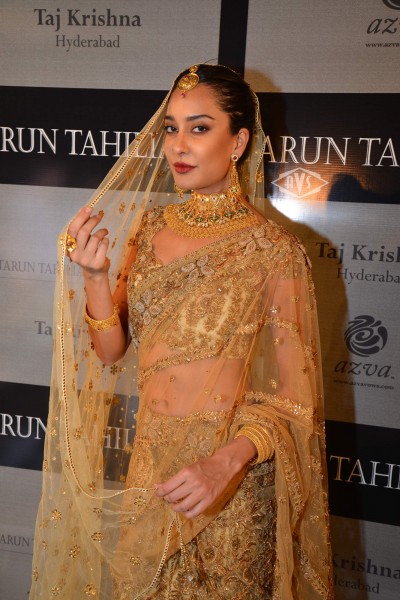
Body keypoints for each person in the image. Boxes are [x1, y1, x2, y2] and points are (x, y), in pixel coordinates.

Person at [30, 64, 333, 599]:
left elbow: (295, 402)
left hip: (230, 487)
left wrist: (224, 464)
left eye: (200, 127)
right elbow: (110, 351)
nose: (178, 145)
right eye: (171, 128)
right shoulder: (150, 230)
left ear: (238, 142)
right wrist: (95, 277)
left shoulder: (274, 251)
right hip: (152, 475)